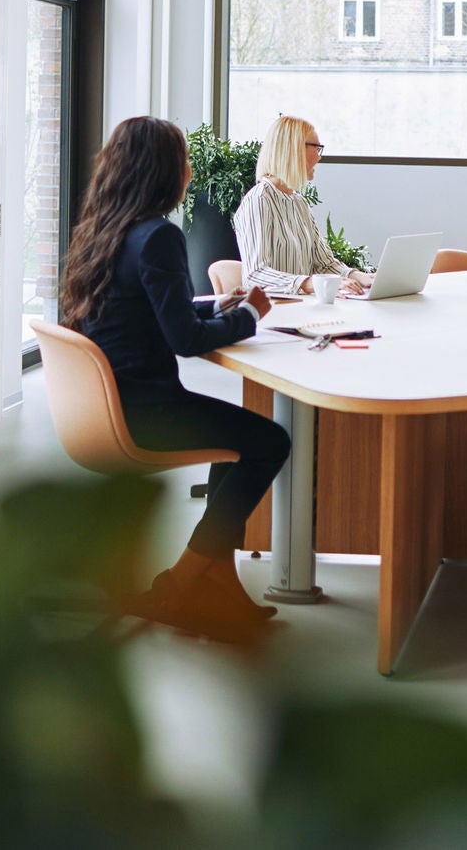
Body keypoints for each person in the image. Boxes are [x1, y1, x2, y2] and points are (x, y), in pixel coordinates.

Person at [60, 115, 290, 644]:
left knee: (229, 441)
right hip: (145, 411)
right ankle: (182, 582)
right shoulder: (159, 235)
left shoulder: (102, 230)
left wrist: (216, 306)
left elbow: (152, 312)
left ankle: (217, 583)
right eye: (183, 160)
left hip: (105, 404)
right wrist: (251, 313)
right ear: (164, 171)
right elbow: (184, 340)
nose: (189, 170)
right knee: (269, 440)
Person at [234, 114, 375, 296]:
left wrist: (358, 276)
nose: (319, 157)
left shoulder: (299, 202)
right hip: (276, 312)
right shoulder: (260, 199)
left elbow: (323, 263)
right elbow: (255, 274)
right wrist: (310, 284)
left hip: (303, 307)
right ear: (293, 149)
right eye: (317, 148)